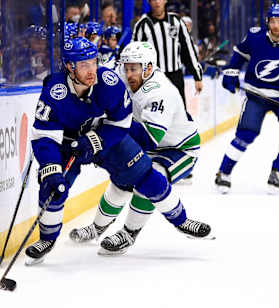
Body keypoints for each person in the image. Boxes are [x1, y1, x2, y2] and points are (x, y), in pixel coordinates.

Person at [26, 37, 211, 265]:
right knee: (54, 186)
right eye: (83, 65)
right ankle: (48, 239)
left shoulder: (124, 84)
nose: (91, 70)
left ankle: (178, 221)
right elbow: (44, 136)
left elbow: (129, 127)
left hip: (127, 139)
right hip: (70, 143)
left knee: (145, 174)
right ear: (69, 67)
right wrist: (49, 166)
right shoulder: (56, 91)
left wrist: (95, 140)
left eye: (93, 62)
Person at [69, 41, 206, 255]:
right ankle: (97, 227)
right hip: (151, 145)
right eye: (126, 67)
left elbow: (149, 139)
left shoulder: (160, 92)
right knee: (120, 182)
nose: (129, 73)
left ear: (149, 68)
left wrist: (112, 119)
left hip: (179, 150)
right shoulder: (123, 75)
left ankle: (129, 233)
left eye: (134, 68)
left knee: (151, 176)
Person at [214, 2, 279, 195]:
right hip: (255, 94)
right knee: (246, 133)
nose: (276, 25)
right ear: (267, 21)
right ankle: (223, 173)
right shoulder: (255, 36)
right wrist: (231, 72)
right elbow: (239, 54)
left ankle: (278, 174)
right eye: (272, 21)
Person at [132, 0, 203, 109]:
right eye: (153, 0)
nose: (157, 2)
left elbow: (187, 50)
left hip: (175, 77)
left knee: (179, 114)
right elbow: (135, 55)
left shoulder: (176, 21)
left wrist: (197, 76)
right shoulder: (142, 25)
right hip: (153, 79)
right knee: (155, 116)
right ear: (149, 2)